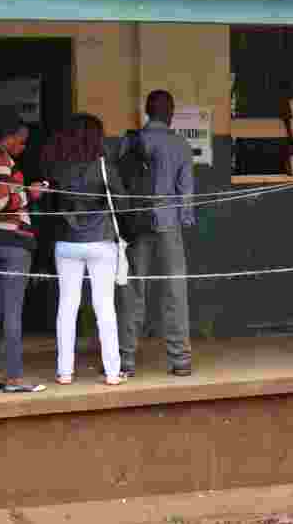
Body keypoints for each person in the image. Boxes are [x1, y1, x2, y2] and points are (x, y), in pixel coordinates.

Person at [42, 113, 127, 386]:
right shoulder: (104, 167)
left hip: (66, 242)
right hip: (101, 241)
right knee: (105, 307)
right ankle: (113, 372)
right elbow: (124, 203)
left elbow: (51, 202)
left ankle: (64, 372)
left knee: (67, 306)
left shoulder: (58, 168)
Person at [117, 90, 195, 377]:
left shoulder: (130, 140)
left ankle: (125, 359)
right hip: (168, 222)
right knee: (175, 290)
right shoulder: (180, 144)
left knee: (133, 289)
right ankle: (180, 359)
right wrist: (184, 219)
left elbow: (119, 182)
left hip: (136, 224)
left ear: (147, 111)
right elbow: (185, 191)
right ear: (171, 113)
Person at [0, 107, 46, 393]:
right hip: (14, 241)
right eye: (21, 141)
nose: (22, 148)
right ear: (8, 138)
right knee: (12, 312)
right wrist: (26, 195)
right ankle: (13, 377)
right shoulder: (0, 160)